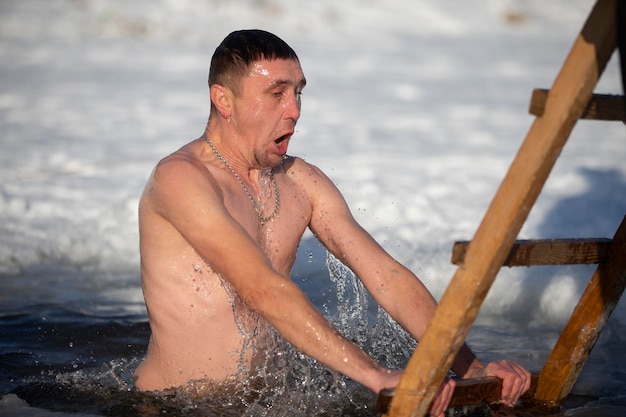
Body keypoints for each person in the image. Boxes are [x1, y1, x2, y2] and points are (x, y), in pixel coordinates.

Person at [133, 29, 531, 416]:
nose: (294, 110)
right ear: (224, 100)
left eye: (298, 92)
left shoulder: (301, 182)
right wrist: (375, 375)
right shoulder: (182, 179)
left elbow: (385, 277)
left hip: (261, 406)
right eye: (276, 94)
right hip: (174, 406)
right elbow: (262, 290)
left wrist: (470, 367)